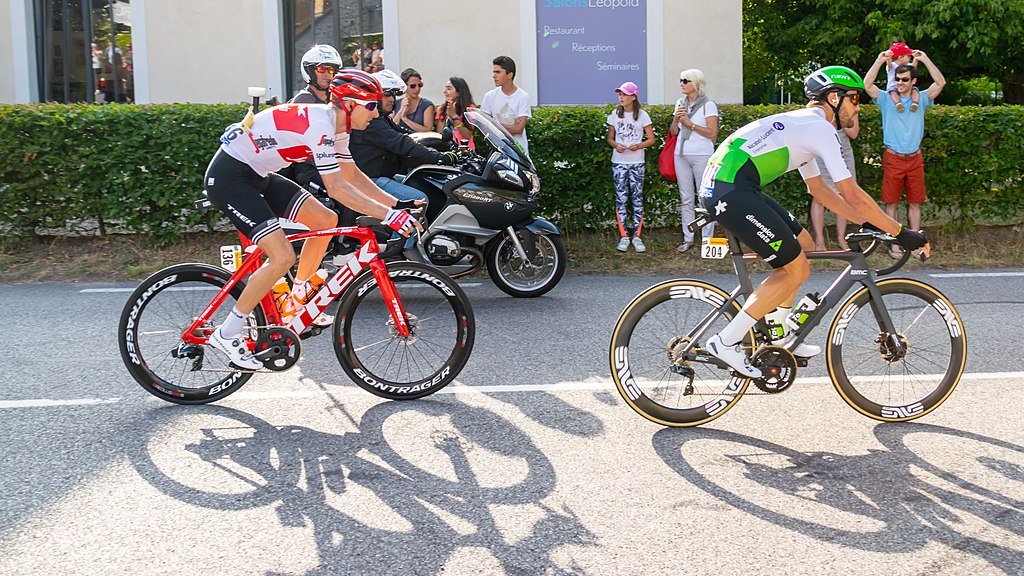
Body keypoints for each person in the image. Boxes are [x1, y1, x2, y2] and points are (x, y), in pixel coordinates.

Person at [698, 66, 928, 377]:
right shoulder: (821, 129)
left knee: (803, 244)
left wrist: (868, 223)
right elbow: (852, 194)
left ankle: (778, 331)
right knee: (796, 267)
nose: (858, 107)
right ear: (834, 98)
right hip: (730, 188)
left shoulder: (806, 125)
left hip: (732, 184)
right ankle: (725, 342)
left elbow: (820, 189)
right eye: (854, 99)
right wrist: (901, 233)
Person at [203, 69, 420, 369]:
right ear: (350, 104)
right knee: (281, 256)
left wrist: (397, 204)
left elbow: (352, 175)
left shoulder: (339, 126)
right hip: (231, 177)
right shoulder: (320, 125)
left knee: (326, 220)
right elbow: (337, 187)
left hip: (258, 175)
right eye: (371, 105)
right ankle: (228, 333)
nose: (377, 112)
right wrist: (390, 215)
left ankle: (298, 299)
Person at [863, 48, 945, 258]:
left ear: (913, 81)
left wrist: (925, 58)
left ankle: (917, 246)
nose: (899, 83)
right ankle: (895, 245)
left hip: (914, 157)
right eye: (897, 79)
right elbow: (867, 85)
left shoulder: (923, 99)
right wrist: (879, 60)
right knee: (892, 204)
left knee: (915, 203)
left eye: (904, 79)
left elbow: (940, 83)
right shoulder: (886, 100)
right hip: (893, 157)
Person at [668, 69, 719, 253]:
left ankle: (707, 240)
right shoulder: (680, 103)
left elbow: (712, 133)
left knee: (704, 197)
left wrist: (690, 124)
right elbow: (674, 132)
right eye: (680, 80)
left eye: (685, 80)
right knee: (686, 198)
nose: (681, 83)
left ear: (696, 83)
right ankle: (688, 238)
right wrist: (676, 119)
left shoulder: (708, 105)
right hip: (680, 154)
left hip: (702, 155)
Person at [606, 81, 656, 253]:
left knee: (637, 198)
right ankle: (624, 236)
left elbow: (651, 139)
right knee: (621, 198)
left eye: (624, 94)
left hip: (637, 163)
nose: (621, 97)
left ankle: (637, 236)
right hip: (619, 163)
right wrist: (615, 145)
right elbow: (610, 138)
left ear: (633, 97)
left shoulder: (642, 115)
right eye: (620, 94)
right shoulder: (614, 114)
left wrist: (638, 146)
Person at [809, 109, 859, 251]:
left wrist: (846, 115)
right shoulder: (817, 108)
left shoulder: (851, 107)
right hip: (820, 153)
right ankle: (819, 241)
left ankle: (841, 239)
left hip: (843, 153)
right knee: (819, 197)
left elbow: (853, 133)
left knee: (845, 196)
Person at [480, 56, 532, 155]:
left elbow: (519, 129)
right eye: (494, 72)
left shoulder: (523, 96)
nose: (494, 76)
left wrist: (494, 125)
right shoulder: (489, 96)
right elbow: (484, 126)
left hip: (519, 152)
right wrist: (510, 126)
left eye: (498, 72)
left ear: (509, 75)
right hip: (498, 151)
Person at [435, 77, 476, 151]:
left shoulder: (470, 109)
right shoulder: (441, 109)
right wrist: (446, 115)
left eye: (449, 89)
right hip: (447, 151)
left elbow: (467, 136)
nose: (445, 91)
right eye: (445, 88)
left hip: (465, 151)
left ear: (458, 92)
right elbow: (440, 135)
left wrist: (454, 116)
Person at [393, 68, 435, 133]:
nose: (417, 89)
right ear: (404, 86)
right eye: (413, 86)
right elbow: (391, 128)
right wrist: (401, 111)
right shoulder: (395, 103)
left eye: (420, 85)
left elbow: (428, 129)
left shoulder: (426, 105)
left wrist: (405, 118)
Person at [885, 42, 920, 113]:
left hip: (906, 87)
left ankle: (915, 102)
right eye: (908, 56)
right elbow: (889, 64)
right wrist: (888, 58)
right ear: (900, 57)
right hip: (893, 87)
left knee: (915, 90)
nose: (910, 58)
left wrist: (916, 58)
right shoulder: (893, 65)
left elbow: (914, 67)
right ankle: (898, 103)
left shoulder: (907, 65)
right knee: (892, 92)